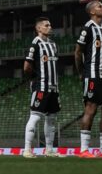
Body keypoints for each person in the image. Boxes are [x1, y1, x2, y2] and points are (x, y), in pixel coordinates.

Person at [74, 1, 102, 158]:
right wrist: (82, 72)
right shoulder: (88, 28)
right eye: (99, 6)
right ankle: (84, 149)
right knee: (91, 109)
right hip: (93, 74)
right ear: (92, 12)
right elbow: (78, 52)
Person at [22, 17, 63, 158]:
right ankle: (27, 150)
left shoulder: (53, 44)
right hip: (41, 86)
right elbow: (26, 67)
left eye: (50, 24)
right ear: (39, 28)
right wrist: (36, 78)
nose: (50, 27)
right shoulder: (35, 44)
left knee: (51, 119)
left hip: (53, 87)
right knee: (35, 117)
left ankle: (49, 150)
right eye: (46, 25)